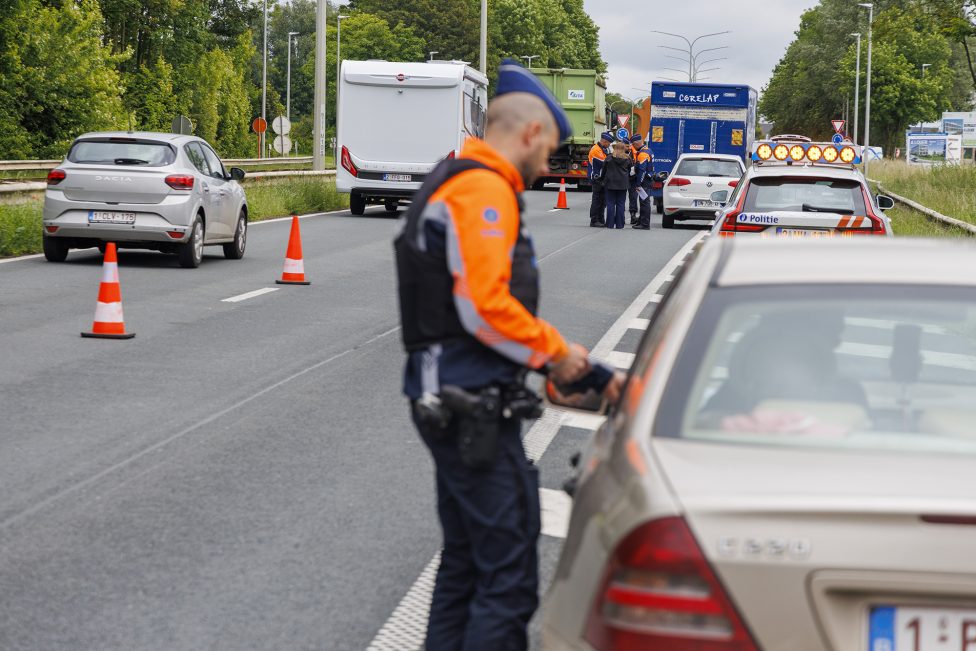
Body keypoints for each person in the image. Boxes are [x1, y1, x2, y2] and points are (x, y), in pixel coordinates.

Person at [394, 58, 622, 651]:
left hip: (452, 394)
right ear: (530, 131)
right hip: (468, 401)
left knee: (467, 564)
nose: (547, 167)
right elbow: (484, 307)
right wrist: (560, 355)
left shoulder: (456, 178)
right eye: (547, 152)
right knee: (508, 577)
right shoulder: (482, 188)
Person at [603, 139, 633, 229]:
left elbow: (604, 170)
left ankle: (610, 224)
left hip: (610, 183)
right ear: (624, 149)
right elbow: (631, 172)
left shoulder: (609, 158)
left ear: (615, 148)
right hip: (623, 184)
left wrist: (602, 179)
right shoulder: (628, 159)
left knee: (610, 204)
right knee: (621, 204)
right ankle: (620, 224)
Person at [587, 131, 613, 227]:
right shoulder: (596, 150)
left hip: (602, 178)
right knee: (597, 200)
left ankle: (601, 219)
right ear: (604, 141)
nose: (609, 145)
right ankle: (594, 220)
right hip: (596, 178)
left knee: (603, 201)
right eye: (609, 143)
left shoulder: (603, 149)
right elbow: (604, 163)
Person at [631, 136, 653, 230]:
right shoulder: (648, 150)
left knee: (644, 203)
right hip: (647, 180)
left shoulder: (643, 154)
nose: (633, 147)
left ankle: (645, 223)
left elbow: (642, 171)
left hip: (644, 182)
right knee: (644, 202)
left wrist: (638, 184)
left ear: (636, 144)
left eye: (633, 145)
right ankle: (641, 221)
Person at [627, 133, 644, 224]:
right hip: (631, 178)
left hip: (632, 177)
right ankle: (632, 216)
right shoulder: (633, 152)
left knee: (632, 197)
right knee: (632, 197)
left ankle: (632, 215)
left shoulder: (635, 151)